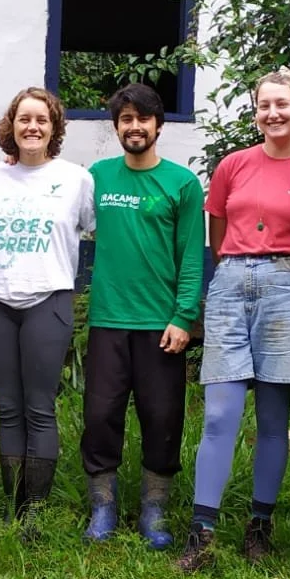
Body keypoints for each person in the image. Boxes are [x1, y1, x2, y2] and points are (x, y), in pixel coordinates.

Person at [177, 69, 290, 572]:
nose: (273, 113)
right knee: (220, 414)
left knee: (272, 420)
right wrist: (239, 270)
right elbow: (218, 233)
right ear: (256, 112)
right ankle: (201, 532)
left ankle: (259, 526)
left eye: (282, 104)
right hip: (231, 285)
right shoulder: (233, 165)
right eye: (264, 105)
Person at [81, 84, 204, 548]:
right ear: (116, 127)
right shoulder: (97, 178)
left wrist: (183, 316)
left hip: (161, 325)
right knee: (100, 415)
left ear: (158, 125)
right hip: (109, 320)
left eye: (143, 118)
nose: (134, 126)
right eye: (125, 119)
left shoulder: (182, 184)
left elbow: (192, 258)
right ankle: (103, 507)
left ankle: (154, 511)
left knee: (162, 416)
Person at [0, 87, 93, 535]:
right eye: (24, 119)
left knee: (40, 407)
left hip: (50, 299)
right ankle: (13, 505)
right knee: (8, 407)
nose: (32, 127)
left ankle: (36, 514)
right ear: (12, 126)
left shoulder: (76, 178)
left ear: (54, 128)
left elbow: (91, 227)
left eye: (41, 120)